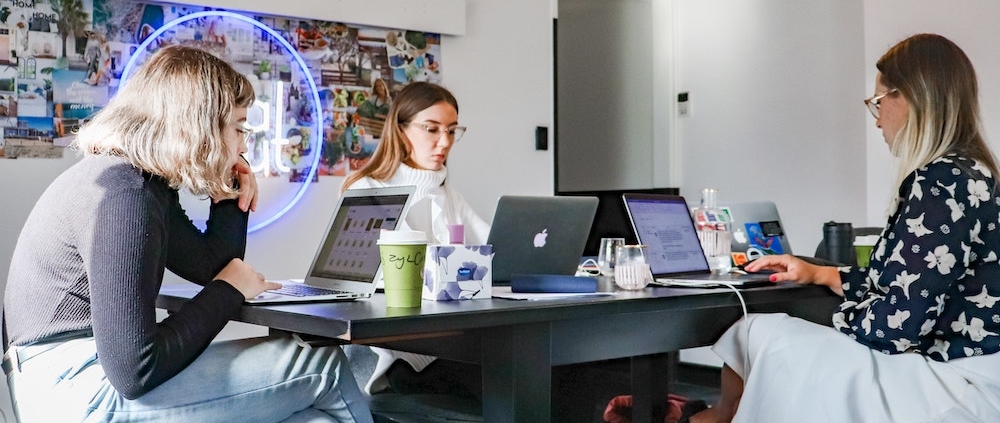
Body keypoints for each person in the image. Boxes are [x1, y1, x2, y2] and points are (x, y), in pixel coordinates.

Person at [3, 45, 372, 423]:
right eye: (239, 128)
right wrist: (228, 291)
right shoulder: (127, 195)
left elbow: (207, 264)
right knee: (322, 365)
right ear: (201, 126)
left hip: (63, 379)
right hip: (73, 388)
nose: (244, 144)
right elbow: (135, 370)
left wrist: (229, 193)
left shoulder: (136, 181)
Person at [690, 33, 1000, 423]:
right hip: (980, 367)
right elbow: (913, 281)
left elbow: (897, 327)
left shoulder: (937, 182)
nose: (877, 121)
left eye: (878, 102)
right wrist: (822, 273)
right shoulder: (976, 174)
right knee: (768, 343)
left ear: (910, 98)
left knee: (759, 333)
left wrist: (827, 319)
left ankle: (713, 415)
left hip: (951, 378)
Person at [341, 81, 489, 400]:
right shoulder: (365, 190)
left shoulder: (447, 193)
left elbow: (492, 247)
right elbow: (383, 280)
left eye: (451, 131)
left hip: (453, 342)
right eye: (432, 129)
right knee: (519, 380)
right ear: (401, 129)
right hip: (399, 354)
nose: (444, 141)